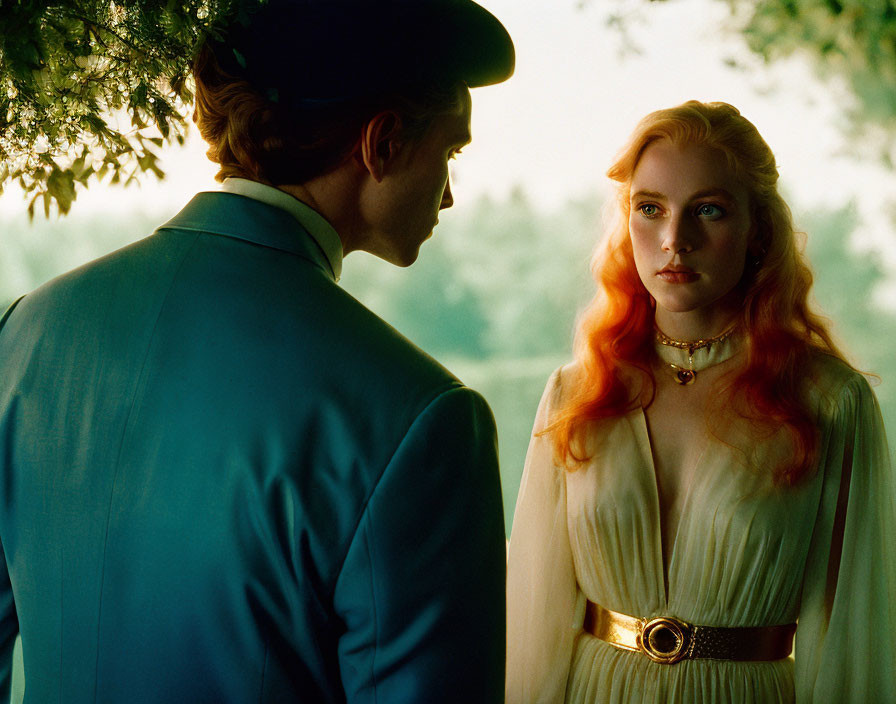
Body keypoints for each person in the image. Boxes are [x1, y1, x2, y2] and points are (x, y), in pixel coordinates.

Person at [0, 1, 514, 701]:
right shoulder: (421, 417)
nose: (450, 195)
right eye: (449, 152)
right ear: (383, 143)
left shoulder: (27, 330)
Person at [505, 101, 895, 703]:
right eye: (650, 209)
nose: (674, 240)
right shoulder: (578, 393)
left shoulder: (830, 402)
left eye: (707, 211)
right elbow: (532, 620)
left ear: (758, 230)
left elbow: (853, 639)